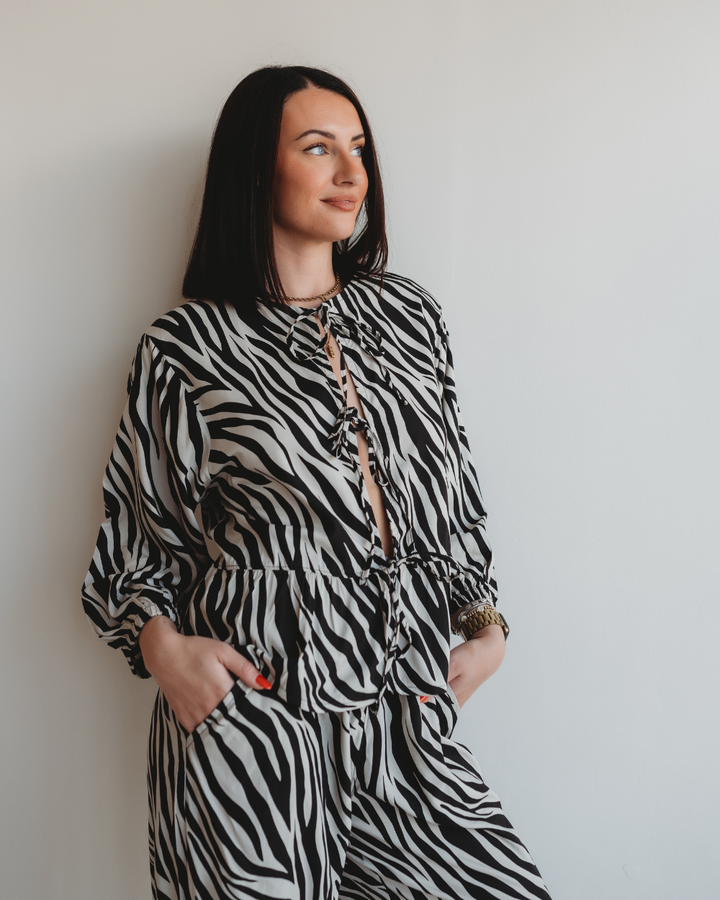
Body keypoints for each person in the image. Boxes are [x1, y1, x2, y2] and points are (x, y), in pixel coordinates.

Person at [82, 65, 552, 900]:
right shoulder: (186, 348)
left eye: (359, 148)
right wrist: (167, 652)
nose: (352, 173)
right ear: (256, 169)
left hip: (403, 706)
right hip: (254, 718)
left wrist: (485, 626)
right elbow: (137, 540)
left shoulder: (409, 317)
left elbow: (452, 497)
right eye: (318, 147)